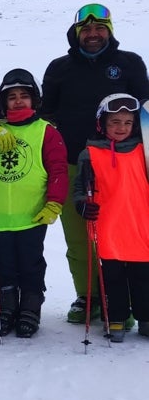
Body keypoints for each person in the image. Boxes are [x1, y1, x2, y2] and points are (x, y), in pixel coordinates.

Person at [41, 3, 149, 323]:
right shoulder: (59, 68)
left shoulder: (129, 64)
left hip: (123, 167)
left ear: (109, 30)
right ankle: (88, 296)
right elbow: (46, 117)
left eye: (99, 28)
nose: (92, 34)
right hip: (77, 163)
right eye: (85, 29)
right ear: (76, 33)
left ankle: (126, 299)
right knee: (78, 237)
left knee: (125, 236)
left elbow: (145, 114)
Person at [0, 69, 68, 338]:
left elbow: (58, 170)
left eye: (24, 96)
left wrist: (54, 203)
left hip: (31, 215)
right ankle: (5, 306)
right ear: (3, 102)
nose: (18, 102)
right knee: (1, 265)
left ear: (34, 100)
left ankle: (30, 306)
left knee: (30, 263)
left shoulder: (46, 131)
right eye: (12, 97)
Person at [74, 94, 149, 342]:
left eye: (127, 122)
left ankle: (146, 318)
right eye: (115, 122)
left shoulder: (144, 149)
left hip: (140, 226)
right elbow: (79, 188)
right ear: (102, 124)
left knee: (143, 279)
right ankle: (115, 317)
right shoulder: (91, 153)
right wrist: (82, 205)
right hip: (108, 227)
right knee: (112, 278)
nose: (121, 128)